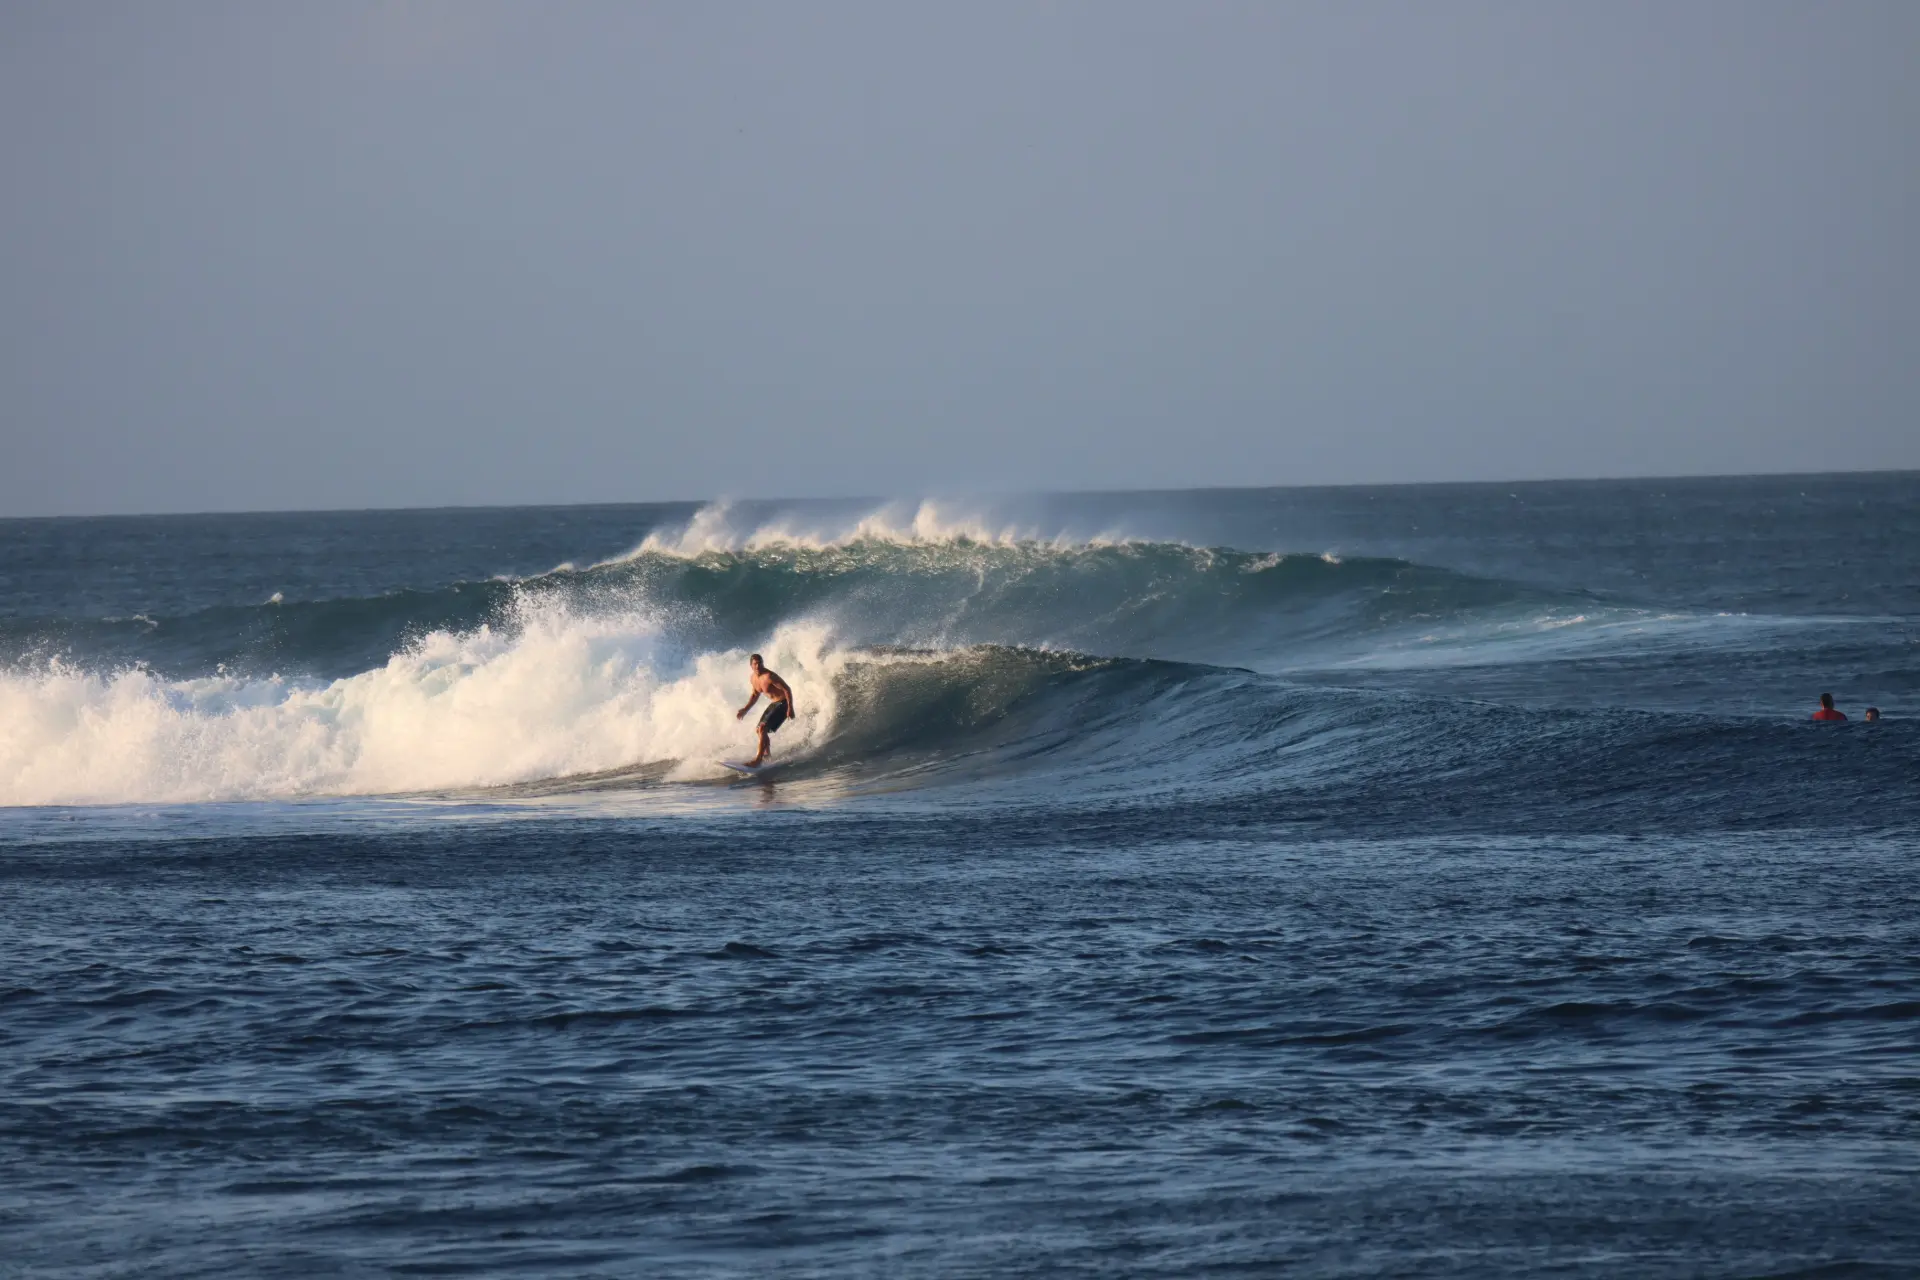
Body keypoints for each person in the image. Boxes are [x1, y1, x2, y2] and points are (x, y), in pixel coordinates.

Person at [736, 653, 797, 766]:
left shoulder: (769, 676)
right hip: (774, 703)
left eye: (760, 663)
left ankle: (758, 760)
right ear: (751, 665)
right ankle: (767, 756)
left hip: (783, 703)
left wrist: (790, 708)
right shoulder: (753, 678)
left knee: (763, 728)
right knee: (759, 729)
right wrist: (745, 709)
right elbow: (755, 695)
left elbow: (787, 689)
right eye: (755, 663)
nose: (758, 665)